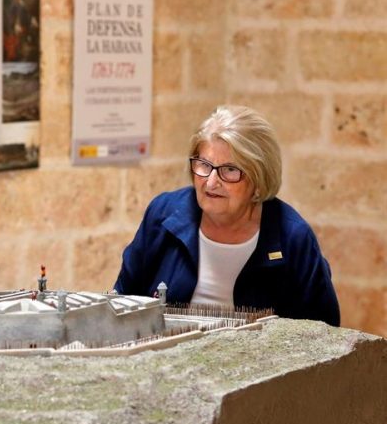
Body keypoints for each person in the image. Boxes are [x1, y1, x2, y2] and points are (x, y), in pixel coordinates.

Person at [113, 106, 340, 326]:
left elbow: (323, 333)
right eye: (204, 165)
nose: (211, 183)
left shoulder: (293, 237)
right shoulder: (162, 214)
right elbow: (121, 303)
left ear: (258, 179)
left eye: (230, 170)